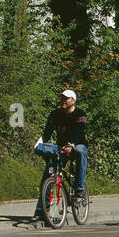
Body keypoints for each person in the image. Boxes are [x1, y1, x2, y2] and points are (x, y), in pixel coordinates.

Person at [32, 88, 88, 222]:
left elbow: (78, 131)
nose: (63, 100)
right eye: (62, 98)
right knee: (48, 175)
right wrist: (39, 145)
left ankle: (79, 188)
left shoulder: (80, 114)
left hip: (77, 145)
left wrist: (71, 145)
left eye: (66, 98)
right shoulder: (55, 114)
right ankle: (41, 211)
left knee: (81, 152)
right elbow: (47, 133)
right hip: (60, 146)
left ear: (73, 101)